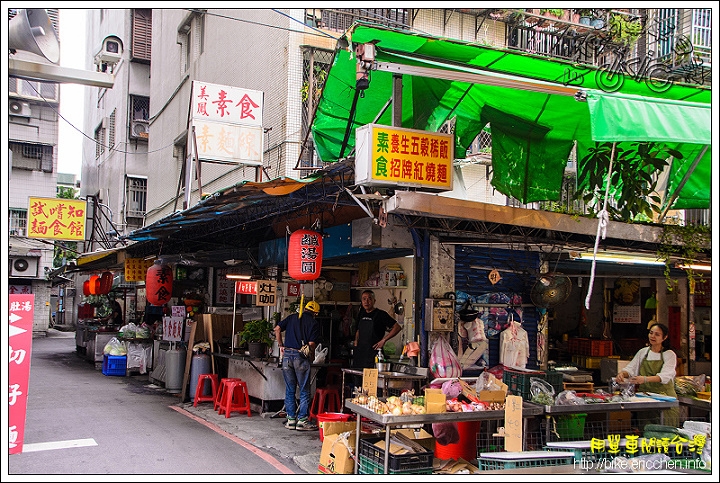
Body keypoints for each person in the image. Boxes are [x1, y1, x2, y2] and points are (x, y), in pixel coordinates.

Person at [615, 322, 679, 427]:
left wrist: (644, 379)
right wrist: (622, 374)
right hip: (645, 399)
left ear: (665, 337)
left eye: (657, 334)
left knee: (666, 433)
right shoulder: (643, 352)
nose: (653, 336)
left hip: (665, 399)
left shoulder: (669, 354)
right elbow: (631, 369)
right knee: (646, 431)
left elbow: (665, 376)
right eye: (651, 333)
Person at [274, 300, 322, 431]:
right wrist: (311, 356)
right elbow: (311, 345)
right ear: (315, 313)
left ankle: (290, 420)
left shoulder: (291, 317)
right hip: (300, 357)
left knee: (290, 389)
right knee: (304, 390)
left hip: (287, 356)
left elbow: (277, 329)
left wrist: (281, 346)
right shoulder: (313, 323)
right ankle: (302, 421)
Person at [352, 290, 402, 370]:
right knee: (358, 379)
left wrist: (384, 340)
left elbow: (397, 327)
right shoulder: (361, 313)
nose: (366, 301)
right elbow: (358, 329)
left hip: (374, 354)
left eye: (369, 299)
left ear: (374, 301)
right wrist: (356, 342)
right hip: (360, 354)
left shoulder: (381, 314)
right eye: (364, 299)